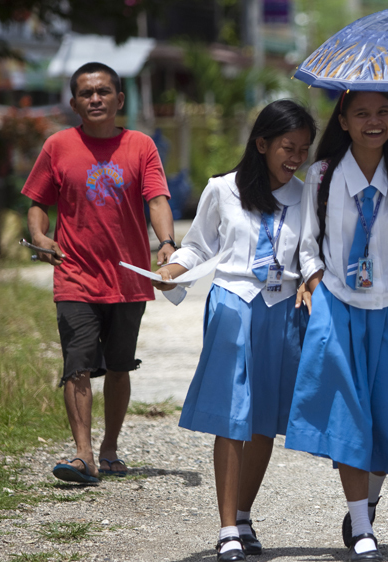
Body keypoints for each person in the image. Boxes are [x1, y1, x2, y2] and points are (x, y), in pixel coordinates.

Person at [153, 100, 316, 562]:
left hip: (282, 308)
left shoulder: (305, 195)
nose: (296, 157)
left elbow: (309, 253)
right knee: (231, 416)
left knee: (263, 419)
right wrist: (171, 271)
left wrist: (310, 284)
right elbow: (198, 246)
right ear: (262, 144)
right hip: (233, 302)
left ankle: (244, 516)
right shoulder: (222, 189)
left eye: (303, 149)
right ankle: (227, 529)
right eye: (287, 147)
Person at [286, 90, 388, 561]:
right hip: (340, 308)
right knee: (348, 419)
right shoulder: (323, 175)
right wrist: (316, 284)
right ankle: (364, 526)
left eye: (383, 112)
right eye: (362, 113)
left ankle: (365, 504)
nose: (375, 121)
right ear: (344, 121)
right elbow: (308, 244)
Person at [23, 62, 174, 484]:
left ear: (119, 99)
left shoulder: (141, 145)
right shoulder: (57, 146)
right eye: (86, 93)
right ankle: (83, 455)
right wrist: (40, 235)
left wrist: (167, 242)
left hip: (128, 279)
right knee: (78, 365)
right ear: (73, 104)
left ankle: (109, 449)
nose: (95, 99)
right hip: (75, 276)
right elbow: (38, 202)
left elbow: (157, 199)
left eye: (103, 92)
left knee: (120, 366)